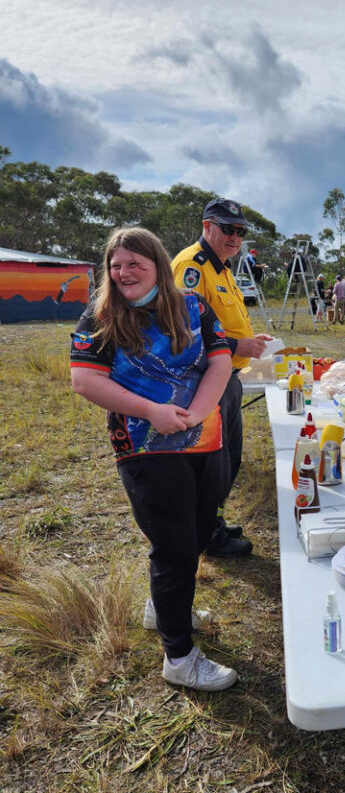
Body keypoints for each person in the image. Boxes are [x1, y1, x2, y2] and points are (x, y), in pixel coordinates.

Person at [70, 227, 238, 691]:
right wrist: (153, 412)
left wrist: (196, 414)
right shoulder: (100, 315)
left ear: (158, 266)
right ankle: (179, 658)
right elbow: (84, 380)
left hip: (205, 439)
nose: (123, 273)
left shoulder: (193, 306)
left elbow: (221, 361)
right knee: (174, 547)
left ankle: (165, 610)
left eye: (134, 264)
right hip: (146, 445)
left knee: (201, 533)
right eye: (115, 265)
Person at [172, 198, 271, 558]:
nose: (234, 236)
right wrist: (236, 343)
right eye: (227, 228)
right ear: (206, 226)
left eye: (240, 231)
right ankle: (207, 535)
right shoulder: (191, 267)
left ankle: (210, 523)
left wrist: (247, 341)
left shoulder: (222, 268)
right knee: (213, 463)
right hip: (203, 382)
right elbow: (184, 332)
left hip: (227, 376)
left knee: (227, 459)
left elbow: (219, 322)